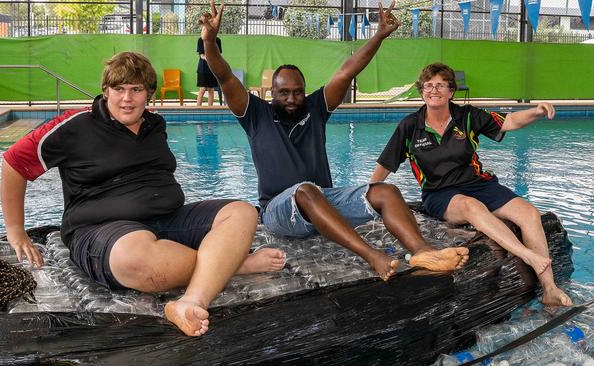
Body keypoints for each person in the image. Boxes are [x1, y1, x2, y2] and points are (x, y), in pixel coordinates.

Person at [0, 52, 286, 337]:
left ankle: (191, 301)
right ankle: (234, 264)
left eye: (136, 90)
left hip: (166, 219)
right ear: (106, 91)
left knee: (242, 212)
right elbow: (14, 162)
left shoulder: (154, 125)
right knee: (134, 258)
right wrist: (16, 231)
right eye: (119, 89)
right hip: (101, 230)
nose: (126, 99)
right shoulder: (75, 127)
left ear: (149, 93)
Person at [199, 0, 469, 281]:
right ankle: (372, 256)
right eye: (284, 93)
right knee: (304, 190)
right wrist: (209, 42)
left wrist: (378, 35)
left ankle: (423, 252)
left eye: (298, 92)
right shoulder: (255, 114)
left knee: (385, 192)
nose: (292, 99)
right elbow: (225, 76)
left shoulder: (315, 109)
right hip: (278, 210)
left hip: (323, 202)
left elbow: (347, 71)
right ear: (272, 93)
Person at [371, 62, 572, 306]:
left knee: (529, 213)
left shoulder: (466, 116)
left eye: (440, 85)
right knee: (471, 206)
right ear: (422, 91)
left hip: (479, 184)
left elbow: (508, 122)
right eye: (428, 86)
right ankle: (527, 255)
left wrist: (536, 111)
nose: (434, 90)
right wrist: (369, 194)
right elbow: (386, 164)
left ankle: (550, 289)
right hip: (440, 193)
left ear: (450, 91)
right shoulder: (410, 126)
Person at [196, 36, 222, 106]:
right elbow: (202, 55)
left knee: (211, 90)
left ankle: (210, 109)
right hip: (203, 69)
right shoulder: (201, 40)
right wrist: (210, 59)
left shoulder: (217, 40)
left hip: (213, 69)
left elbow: (218, 54)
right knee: (202, 89)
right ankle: (197, 109)